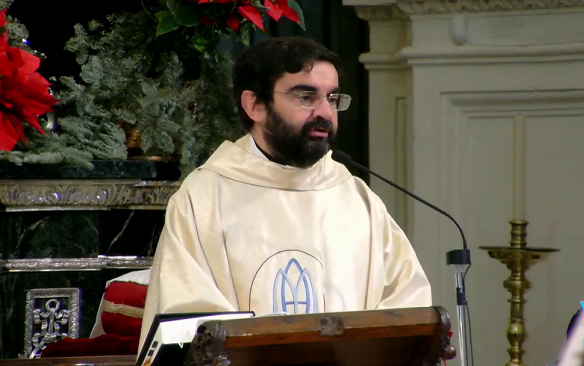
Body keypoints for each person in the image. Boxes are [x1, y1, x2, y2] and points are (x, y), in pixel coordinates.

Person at [138, 36, 432, 352]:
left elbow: (407, 306)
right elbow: (187, 321)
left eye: (332, 99)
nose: (325, 112)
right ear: (255, 105)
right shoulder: (204, 198)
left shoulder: (356, 199)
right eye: (306, 96)